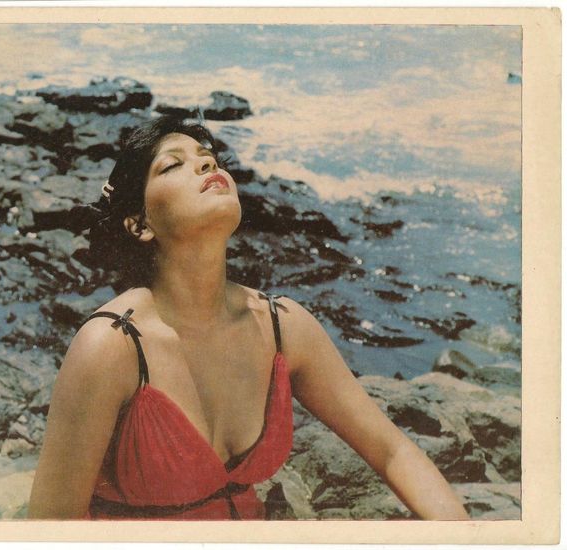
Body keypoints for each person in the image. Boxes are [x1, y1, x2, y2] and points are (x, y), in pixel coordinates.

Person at [27, 116, 469, 520]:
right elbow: (50, 528)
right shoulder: (112, 345)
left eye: (209, 160)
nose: (205, 167)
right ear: (139, 223)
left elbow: (392, 451)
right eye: (172, 166)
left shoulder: (282, 326)